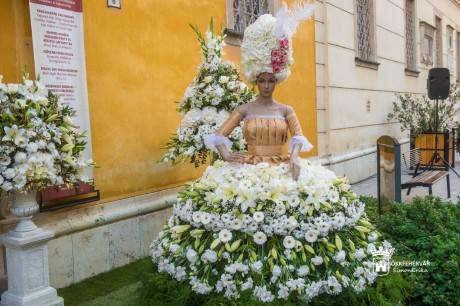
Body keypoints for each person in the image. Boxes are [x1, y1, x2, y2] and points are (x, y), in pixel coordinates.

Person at [150, 2, 389, 303]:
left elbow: (299, 137)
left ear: (278, 77)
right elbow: (217, 135)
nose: (265, 85)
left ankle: (291, 279)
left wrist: (292, 158)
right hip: (247, 168)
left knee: (287, 218)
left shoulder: (286, 109)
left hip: (280, 167)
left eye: (270, 79)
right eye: (261, 79)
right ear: (254, 78)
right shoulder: (244, 109)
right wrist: (226, 156)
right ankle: (240, 277)